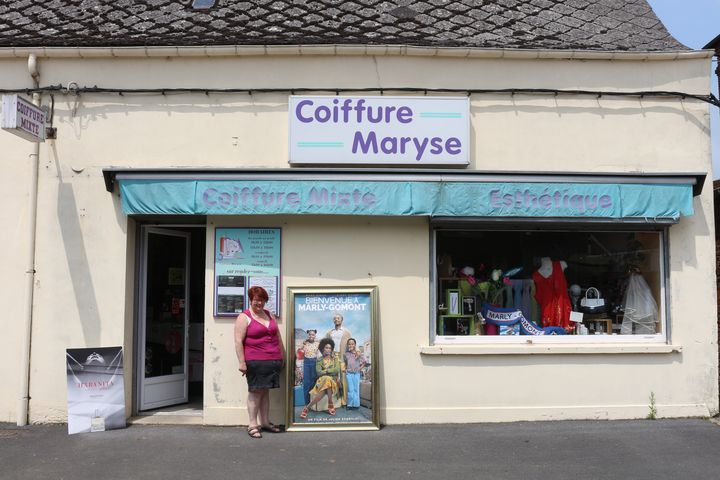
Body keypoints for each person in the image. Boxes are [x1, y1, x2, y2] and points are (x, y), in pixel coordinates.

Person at [234, 286, 285, 439]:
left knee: (265, 392)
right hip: (255, 360)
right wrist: (242, 362)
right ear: (250, 300)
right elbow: (238, 341)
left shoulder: (270, 315)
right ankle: (252, 424)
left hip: (273, 360)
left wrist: (282, 356)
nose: (259, 303)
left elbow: (278, 337)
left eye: (262, 300)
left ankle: (265, 422)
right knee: (255, 392)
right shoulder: (244, 317)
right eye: (256, 300)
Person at [300, 338, 341, 419]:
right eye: (326, 347)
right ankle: (330, 403)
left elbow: (337, 370)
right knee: (326, 378)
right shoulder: (319, 360)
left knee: (327, 379)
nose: (328, 349)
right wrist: (329, 372)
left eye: (330, 348)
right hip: (321, 382)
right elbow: (318, 372)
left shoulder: (335, 359)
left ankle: (307, 407)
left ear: (331, 349)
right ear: (323, 349)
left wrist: (325, 371)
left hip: (333, 381)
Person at [325, 313, 351, 405]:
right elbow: (324, 343)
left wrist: (356, 352)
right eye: (335, 318)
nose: (336, 320)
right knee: (333, 377)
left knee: (343, 378)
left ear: (341, 320)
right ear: (333, 321)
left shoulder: (346, 332)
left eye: (338, 318)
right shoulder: (329, 333)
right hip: (332, 357)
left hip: (342, 356)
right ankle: (336, 400)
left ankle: (345, 400)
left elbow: (351, 343)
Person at [343, 338, 366, 410]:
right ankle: (350, 404)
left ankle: (356, 405)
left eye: (352, 344)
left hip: (356, 374)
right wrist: (346, 369)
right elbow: (346, 363)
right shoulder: (346, 354)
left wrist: (359, 368)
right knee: (350, 389)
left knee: (356, 389)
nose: (351, 345)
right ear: (347, 345)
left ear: (355, 345)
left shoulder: (358, 353)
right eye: (349, 344)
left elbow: (364, 362)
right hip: (349, 374)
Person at [301, 329, 320, 405]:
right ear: (307, 335)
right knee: (306, 383)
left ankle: (313, 403)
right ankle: (307, 403)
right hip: (306, 362)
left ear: (315, 335)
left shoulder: (318, 343)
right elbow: (299, 353)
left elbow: (321, 353)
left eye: (313, 334)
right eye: (309, 334)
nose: (311, 336)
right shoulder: (304, 343)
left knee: (314, 382)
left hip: (314, 362)